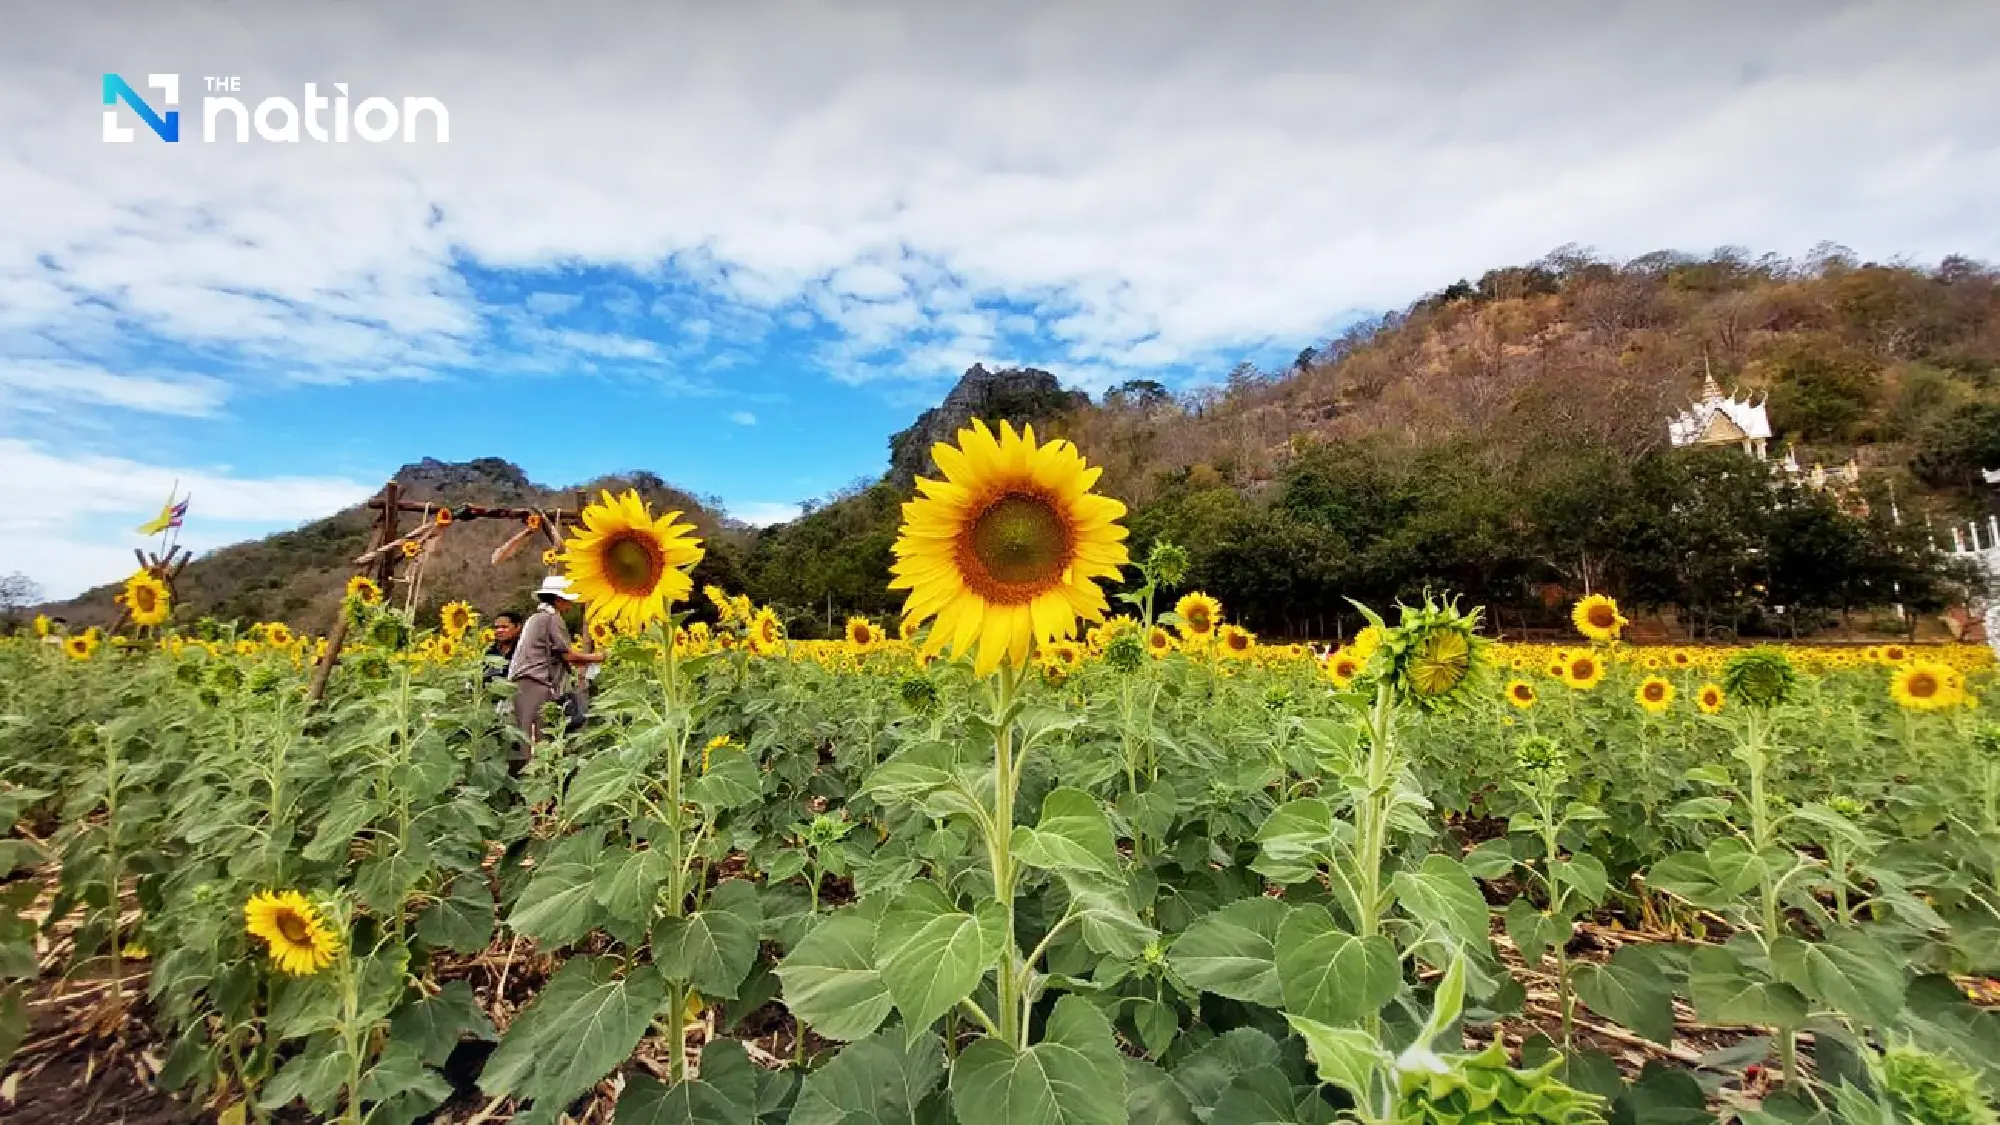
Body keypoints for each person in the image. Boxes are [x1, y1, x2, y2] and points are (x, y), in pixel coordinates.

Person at [506, 578, 605, 761]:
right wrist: (599, 657)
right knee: (538, 739)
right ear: (558, 600)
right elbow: (567, 655)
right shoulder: (552, 619)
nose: (570, 604)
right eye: (568, 600)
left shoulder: (536, 618)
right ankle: (538, 781)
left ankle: (530, 779)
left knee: (526, 735)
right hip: (535, 683)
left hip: (524, 682)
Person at [484, 612, 522, 689]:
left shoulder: (524, 650)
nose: (499, 630)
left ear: (518, 627)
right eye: (496, 627)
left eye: (504, 627)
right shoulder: (489, 651)